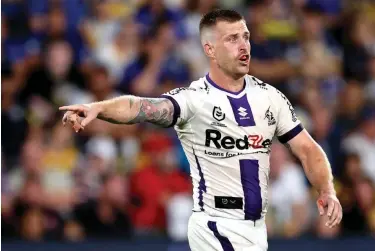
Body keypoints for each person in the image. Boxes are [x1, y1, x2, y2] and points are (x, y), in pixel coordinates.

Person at [60, 9, 342, 251]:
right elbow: (140, 107)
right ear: (209, 49)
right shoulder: (195, 99)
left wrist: (327, 189)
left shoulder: (271, 98)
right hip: (216, 227)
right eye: (232, 39)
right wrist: (99, 108)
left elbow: (307, 148)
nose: (243, 46)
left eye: (245, 36)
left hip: (256, 230)